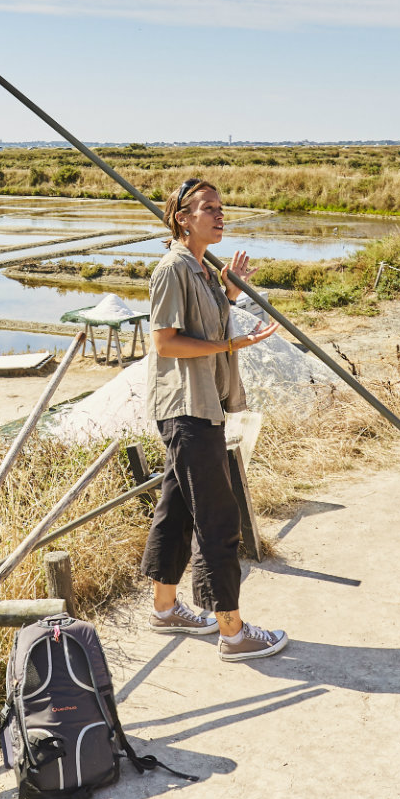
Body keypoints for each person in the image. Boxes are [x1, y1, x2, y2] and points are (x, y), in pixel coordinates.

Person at [140, 177, 289, 662]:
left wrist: (226, 295)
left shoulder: (201, 269)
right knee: (217, 517)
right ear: (182, 218)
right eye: (208, 208)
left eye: (221, 208)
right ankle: (232, 631)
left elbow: (203, 322)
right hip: (186, 408)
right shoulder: (172, 269)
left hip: (200, 404)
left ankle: (166, 610)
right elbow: (166, 342)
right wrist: (232, 344)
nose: (219, 215)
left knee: (179, 508)